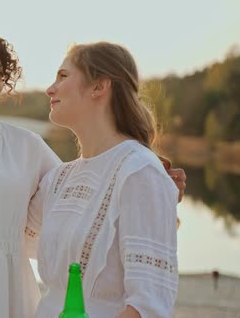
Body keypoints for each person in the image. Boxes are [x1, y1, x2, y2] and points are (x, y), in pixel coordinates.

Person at [0, 23, 186, 318]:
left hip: (17, 305)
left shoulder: (29, 147)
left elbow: (90, 212)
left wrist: (155, 193)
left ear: (99, 87)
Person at [35, 42, 179, 317]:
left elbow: (148, 306)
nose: (50, 88)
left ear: (99, 87)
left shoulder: (139, 171)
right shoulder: (59, 178)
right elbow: (4, 236)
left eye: (63, 76)